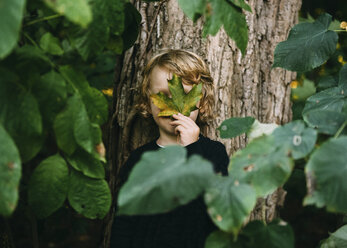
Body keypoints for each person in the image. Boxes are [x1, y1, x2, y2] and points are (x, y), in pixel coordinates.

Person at [110, 49, 229, 248]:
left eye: (186, 95)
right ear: (148, 102)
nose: (174, 105)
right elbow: (124, 225)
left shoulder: (212, 154)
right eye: (164, 95)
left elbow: (217, 211)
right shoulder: (139, 160)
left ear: (201, 103)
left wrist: (191, 150)